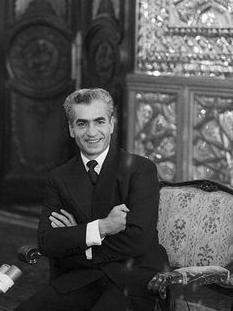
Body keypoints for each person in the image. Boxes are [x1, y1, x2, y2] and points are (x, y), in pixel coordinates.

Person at [15, 88, 169, 311]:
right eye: (82, 123)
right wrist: (102, 227)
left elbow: (139, 239)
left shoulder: (140, 169)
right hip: (80, 278)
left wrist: (79, 238)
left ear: (111, 124)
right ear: (71, 129)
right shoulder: (59, 178)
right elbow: (48, 241)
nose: (91, 132)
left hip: (132, 277)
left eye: (99, 121)